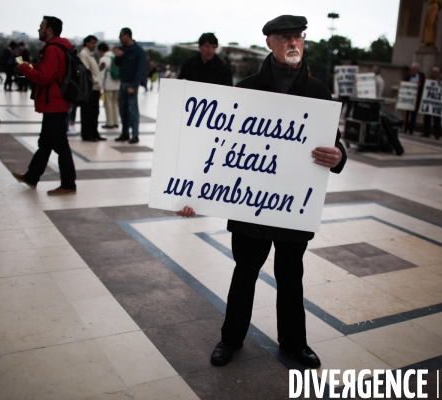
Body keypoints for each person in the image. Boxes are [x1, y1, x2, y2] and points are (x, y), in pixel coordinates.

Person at [177, 15, 347, 369]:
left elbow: (333, 143)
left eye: (298, 37)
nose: (294, 44)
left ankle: (294, 343)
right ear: (269, 42)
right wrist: (192, 193)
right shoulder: (247, 88)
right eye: (285, 38)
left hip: (291, 204)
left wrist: (339, 154)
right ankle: (231, 339)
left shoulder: (318, 92)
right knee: (245, 273)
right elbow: (220, 150)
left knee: (290, 276)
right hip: (251, 204)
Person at [11, 16, 77, 196]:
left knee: (60, 146)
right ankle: (32, 176)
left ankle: (69, 184)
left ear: (49, 30)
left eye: (41, 27)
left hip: (54, 103)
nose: (39, 29)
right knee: (45, 144)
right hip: (54, 103)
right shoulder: (57, 48)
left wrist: (24, 68)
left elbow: (44, 77)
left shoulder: (53, 49)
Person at [113, 27, 147, 144]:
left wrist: (133, 85)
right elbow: (117, 64)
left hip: (131, 84)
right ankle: (125, 133)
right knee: (123, 110)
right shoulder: (123, 49)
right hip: (122, 83)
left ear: (127, 35)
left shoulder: (137, 51)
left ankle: (135, 135)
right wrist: (117, 56)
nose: (120, 38)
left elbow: (141, 69)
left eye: (121, 36)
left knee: (132, 110)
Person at [78, 35, 105, 141]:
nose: (95, 45)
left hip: (94, 88)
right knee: (88, 112)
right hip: (89, 88)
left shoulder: (90, 55)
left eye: (95, 43)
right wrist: (96, 81)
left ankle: (93, 133)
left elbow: (92, 70)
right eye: (93, 43)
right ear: (87, 43)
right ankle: (87, 134)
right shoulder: (84, 54)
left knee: (94, 112)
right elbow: (86, 71)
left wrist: (100, 68)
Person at [98, 42, 120, 129]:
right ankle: (116, 122)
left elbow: (101, 74)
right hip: (117, 84)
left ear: (100, 50)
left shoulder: (104, 59)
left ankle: (109, 123)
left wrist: (100, 86)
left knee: (108, 104)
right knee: (115, 104)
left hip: (108, 84)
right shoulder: (115, 56)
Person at [421, 67, 442, 139]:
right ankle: (426, 132)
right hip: (429, 103)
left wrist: (441, 82)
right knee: (427, 118)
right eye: (432, 72)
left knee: (437, 119)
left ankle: (437, 134)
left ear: (439, 74)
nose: (433, 74)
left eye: (435, 72)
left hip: (436, 104)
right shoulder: (428, 81)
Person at [404, 62, 425, 135]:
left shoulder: (421, 76)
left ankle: (411, 129)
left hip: (416, 98)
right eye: (413, 68)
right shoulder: (408, 75)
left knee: (414, 115)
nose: (414, 70)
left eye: (416, 68)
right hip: (408, 97)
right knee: (406, 114)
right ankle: (405, 128)